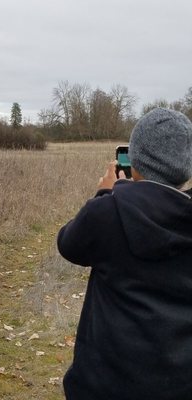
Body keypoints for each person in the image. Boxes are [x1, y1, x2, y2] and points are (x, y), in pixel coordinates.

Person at [57, 108, 192, 400]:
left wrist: (105, 195)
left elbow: (68, 244)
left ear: (135, 161)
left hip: (106, 385)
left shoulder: (109, 211)